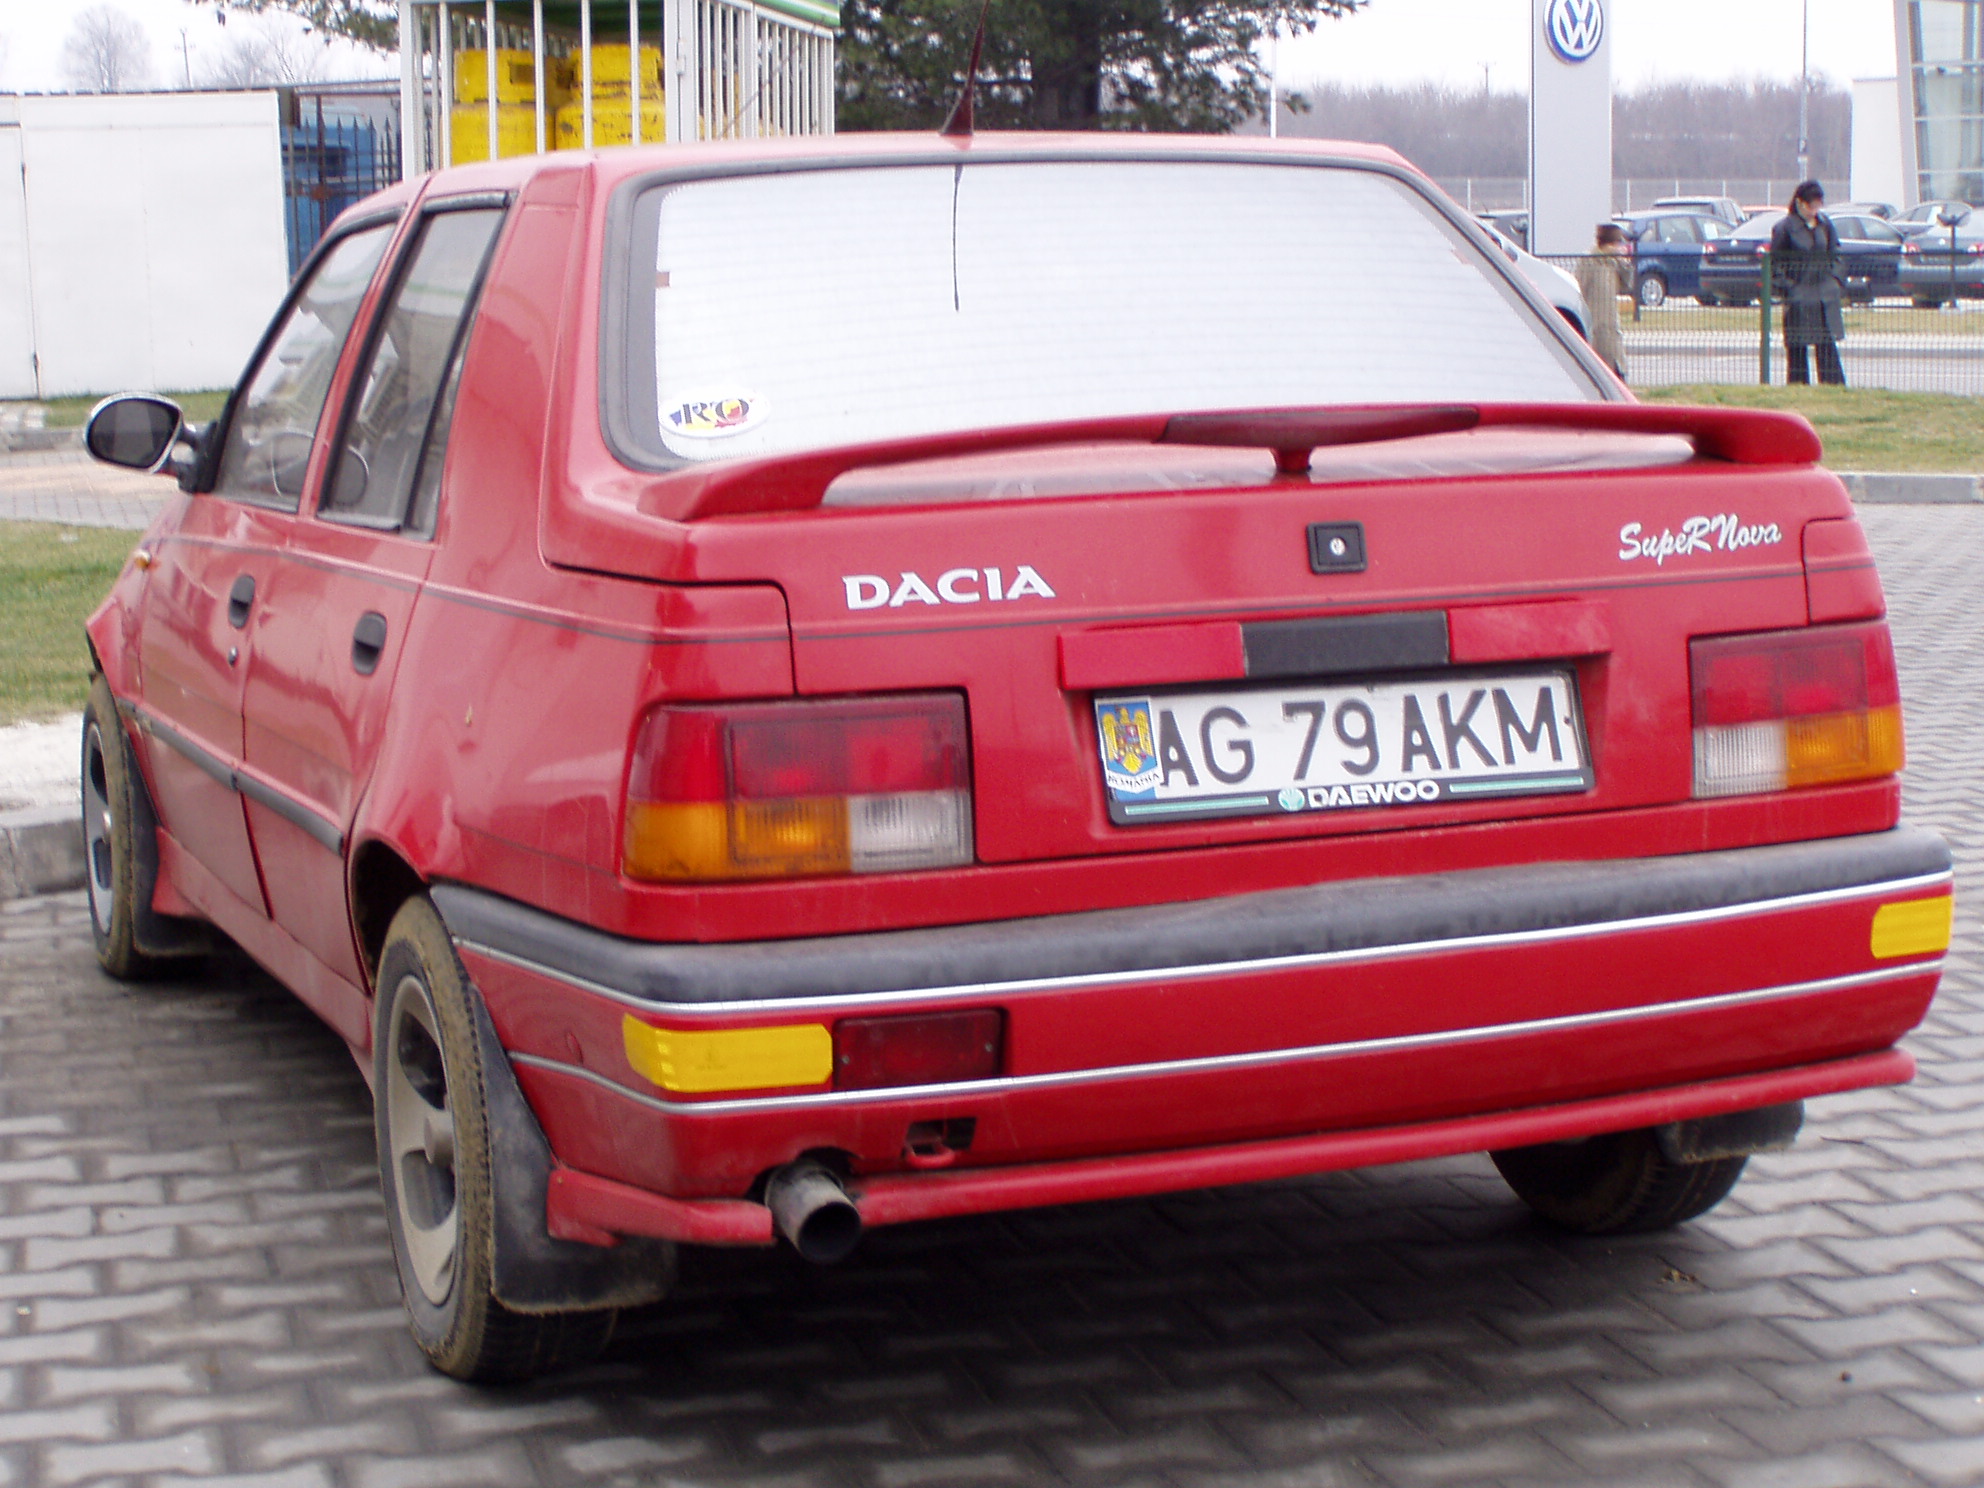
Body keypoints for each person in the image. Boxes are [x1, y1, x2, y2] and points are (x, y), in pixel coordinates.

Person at [1769, 180, 1846, 385]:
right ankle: (1798, 387)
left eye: (1818, 205)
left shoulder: (1825, 224)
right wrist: (1790, 289)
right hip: (1799, 297)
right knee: (1797, 347)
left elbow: (1836, 254)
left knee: (1827, 345)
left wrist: (1834, 281)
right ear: (1799, 203)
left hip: (1824, 295)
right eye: (1811, 205)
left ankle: (1833, 387)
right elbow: (1774, 265)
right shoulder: (1784, 228)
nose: (1814, 210)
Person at [1574, 222, 1631, 379]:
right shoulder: (1590, 260)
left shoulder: (1614, 262)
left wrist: (1623, 262)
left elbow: (1627, 285)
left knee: (1616, 363)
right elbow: (1579, 286)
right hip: (1595, 323)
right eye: (1616, 243)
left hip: (1612, 324)